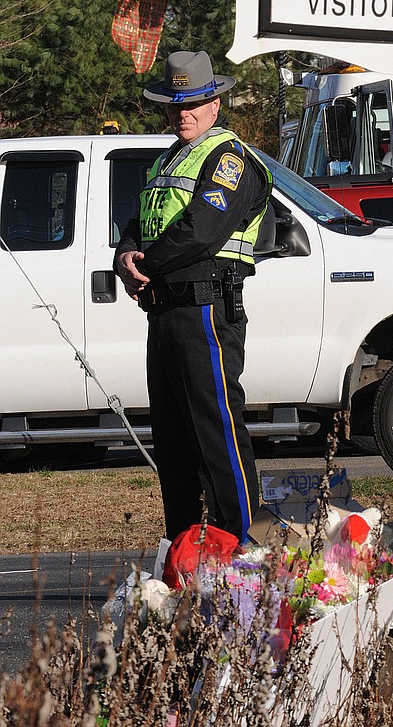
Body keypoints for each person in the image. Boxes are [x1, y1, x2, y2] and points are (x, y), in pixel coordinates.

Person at [115, 50, 272, 544]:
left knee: (217, 437)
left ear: (215, 105)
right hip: (164, 313)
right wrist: (125, 255)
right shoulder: (166, 159)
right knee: (175, 445)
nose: (184, 112)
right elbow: (138, 225)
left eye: (196, 102)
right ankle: (187, 557)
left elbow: (201, 230)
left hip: (207, 307)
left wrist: (148, 263)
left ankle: (250, 550)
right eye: (174, 104)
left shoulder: (230, 159)